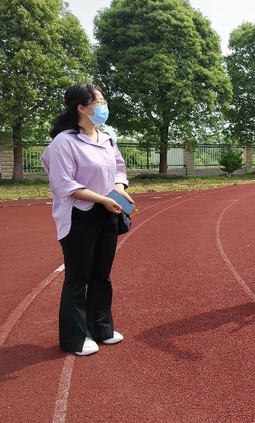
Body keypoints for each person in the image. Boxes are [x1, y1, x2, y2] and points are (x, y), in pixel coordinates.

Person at [41, 84, 133, 356]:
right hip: (79, 216)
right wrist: (102, 199)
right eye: (98, 102)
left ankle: (101, 328)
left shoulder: (107, 138)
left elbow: (119, 169)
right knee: (78, 278)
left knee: (101, 275)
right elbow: (63, 184)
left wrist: (119, 189)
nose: (104, 106)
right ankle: (74, 338)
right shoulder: (64, 142)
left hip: (108, 212)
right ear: (81, 108)